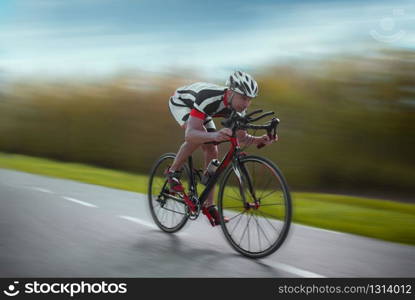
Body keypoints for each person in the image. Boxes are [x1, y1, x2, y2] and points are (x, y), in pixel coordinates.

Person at [166, 71, 276, 225]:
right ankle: (172, 172)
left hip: (204, 110)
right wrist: (215, 135)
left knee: (212, 149)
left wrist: (260, 139)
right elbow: (190, 134)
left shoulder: (239, 108)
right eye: (243, 98)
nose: (246, 104)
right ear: (230, 92)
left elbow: (242, 138)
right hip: (183, 103)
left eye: (250, 99)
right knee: (199, 137)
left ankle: (209, 206)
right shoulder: (209, 98)